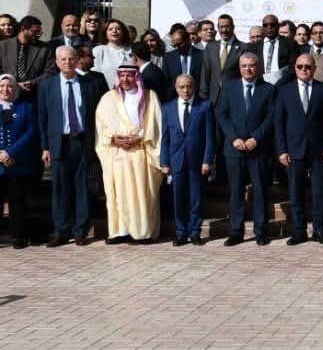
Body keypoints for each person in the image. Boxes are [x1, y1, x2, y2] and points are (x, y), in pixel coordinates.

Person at [39, 46, 105, 245]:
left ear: (77, 61)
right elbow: (42, 118)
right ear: (57, 62)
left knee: (82, 187)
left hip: (82, 141)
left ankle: (80, 232)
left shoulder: (89, 84)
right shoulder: (47, 85)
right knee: (60, 188)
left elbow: (98, 115)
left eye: (71, 59)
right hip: (59, 143)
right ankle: (61, 231)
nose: (67, 62)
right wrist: (45, 147)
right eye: (63, 59)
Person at [95, 64, 163, 244]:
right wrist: (113, 138)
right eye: (122, 75)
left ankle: (142, 232)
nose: (126, 79)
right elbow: (100, 125)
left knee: (141, 194)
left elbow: (156, 124)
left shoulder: (150, 96)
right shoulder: (108, 98)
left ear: (136, 77)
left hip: (140, 153)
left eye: (130, 75)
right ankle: (120, 231)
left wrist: (139, 137)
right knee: (119, 194)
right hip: (117, 154)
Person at [216, 53, 275, 246]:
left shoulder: (268, 89)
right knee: (236, 191)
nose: (248, 69)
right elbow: (222, 114)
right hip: (235, 149)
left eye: (251, 65)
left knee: (260, 190)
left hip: (258, 149)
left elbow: (271, 117)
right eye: (244, 66)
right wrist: (234, 138)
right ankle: (236, 231)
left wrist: (256, 138)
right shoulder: (229, 88)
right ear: (239, 68)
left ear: (258, 67)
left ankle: (261, 231)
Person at [274, 53, 323, 245]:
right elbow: (279, 122)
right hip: (293, 150)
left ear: (314, 69)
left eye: (308, 66)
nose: (304, 70)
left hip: (319, 150)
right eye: (300, 66)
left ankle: (320, 230)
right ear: (295, 68)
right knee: (296, 192)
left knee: (320, 192)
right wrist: (281, 150)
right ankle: (299, 231)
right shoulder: (284, 91)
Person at [159, 73, 215, 246]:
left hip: (197, 161)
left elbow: (210, 136)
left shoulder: (204, 106)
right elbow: (165, 138)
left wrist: (207, 160)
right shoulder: (168, 108)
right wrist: (164, 162)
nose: (185, 90)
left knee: (195, 197)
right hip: (176, 160)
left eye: (189, 86)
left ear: (194, 87)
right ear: (176, 89)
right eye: (181, 87)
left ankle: (195, 231)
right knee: (178, 198)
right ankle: (181, 232)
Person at [0, 75, 38, 247]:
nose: (5, 89)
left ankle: (18, 236)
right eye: (2, 86)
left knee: (17, 201)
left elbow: (31, 132)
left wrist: (11, 152)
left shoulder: (26, 107)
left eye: (9, 86)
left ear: (15, 88)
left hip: (18, 162)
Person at [0, 15, 55, 100]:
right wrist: (11, 83)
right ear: (23, 29)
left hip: (32, 96)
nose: (38, 34)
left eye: (39, 31)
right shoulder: (3, 46)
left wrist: (31, 83)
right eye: (34, 31)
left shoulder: (45, 49)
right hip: (6, 95)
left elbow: (50, 72)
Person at [198, 15, 244, 106]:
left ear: (233, 27)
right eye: (221, 27)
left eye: (227, 26)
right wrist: (203, 98)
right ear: (218, 28)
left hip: (234, 98)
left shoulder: (243, 47)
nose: (224, 30)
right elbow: (205, 75)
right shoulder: (210, 47)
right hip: (213, 99)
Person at [249, 15, 297, 87]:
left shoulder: (290, 43)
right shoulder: (255, 46)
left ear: (278, 26)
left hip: (283, 85)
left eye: (272, 25)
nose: (269, 27)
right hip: (261, 85)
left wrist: (281, 82)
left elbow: (293, 67)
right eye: (265, 25)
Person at [161, 23, 204, 99]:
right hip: (175, 99)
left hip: (197, 99)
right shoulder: (168, 57)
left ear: (188, 40)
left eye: (179, 44)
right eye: (174, 45)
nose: (177, 47)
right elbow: (166, 83)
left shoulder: (202, 55)